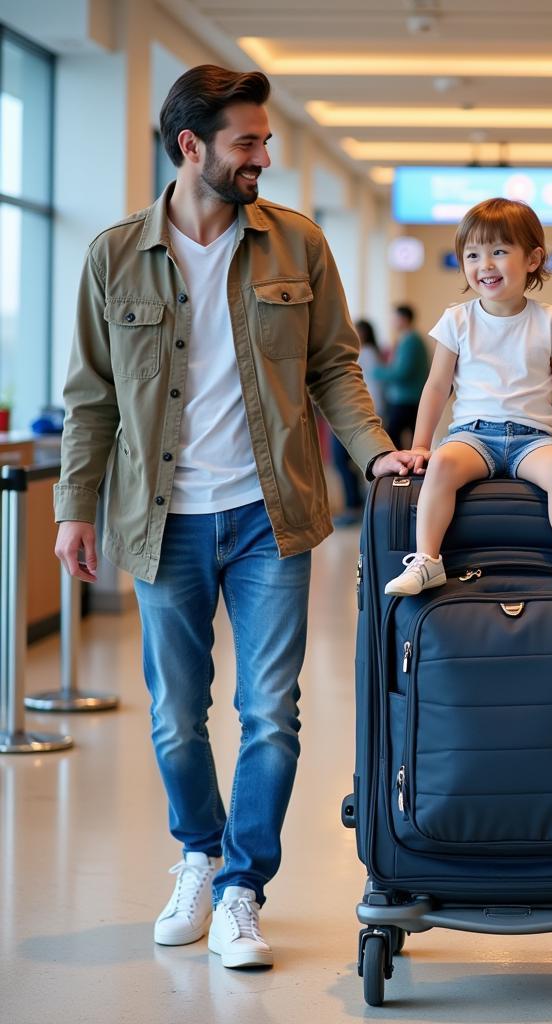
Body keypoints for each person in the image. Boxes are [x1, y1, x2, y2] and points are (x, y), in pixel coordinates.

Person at [52, 65, 411, 970]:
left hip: (269, 514)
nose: (263, 155)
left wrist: (376, 454)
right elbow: (91, 398)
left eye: (264, 139)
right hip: (159, 518)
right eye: (246, 141)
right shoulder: (113, 254)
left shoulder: (298, 244)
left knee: (269, 712)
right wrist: (74, 508)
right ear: (192, 147)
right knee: (175, 715)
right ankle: (199, 859)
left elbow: (334, 367)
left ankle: (245, 887)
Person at [384, 197, 552, 604]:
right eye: (472, 254)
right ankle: (427, 559)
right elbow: (437, 387)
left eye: (499, 252)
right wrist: (421, 444)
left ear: (533, 259)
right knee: (442, 465)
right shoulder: (458, 319)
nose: (484, 265)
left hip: (534, 438)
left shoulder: (550, 320)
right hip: (472, 435)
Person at [330, 319, 385, 526]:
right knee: (348, 462)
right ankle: (357, 504)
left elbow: (372, 386)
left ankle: (354, 506)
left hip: (358, 415)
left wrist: (371, 413)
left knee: (342, 461)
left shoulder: (366, 354)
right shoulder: (368, 353)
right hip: (360, 413)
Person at [376, 304, 429, 449]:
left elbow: (402, 372)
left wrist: (375, 371)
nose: (391, 322)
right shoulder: (410, 338)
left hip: (405, 399)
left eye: (394, 318)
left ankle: (399, 469)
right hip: (409, 398)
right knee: (406, 439)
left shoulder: (411, 340)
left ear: (403, 319)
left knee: (391, 438)